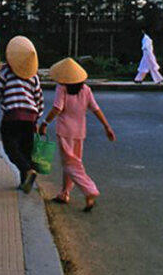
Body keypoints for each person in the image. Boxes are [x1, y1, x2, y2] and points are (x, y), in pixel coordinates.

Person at [39, 58, 116, 212]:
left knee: (70, 165)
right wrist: (106, 126)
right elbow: (96, 109)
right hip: (80, 132)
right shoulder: (85, 89)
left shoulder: (61, 88)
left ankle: (89, 190)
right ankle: (64, 193)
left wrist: (45, 123)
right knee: (74, 162)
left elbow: (57, 108)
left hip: (65, 131)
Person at [0, 35, 44, 193]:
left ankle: (27, 170)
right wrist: (36, 120)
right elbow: (39, 100)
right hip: (30, 117)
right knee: (25, 150)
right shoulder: (34, 77)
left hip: (12, 115)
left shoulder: (6, 72)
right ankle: (24, 182)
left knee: (11, 147)